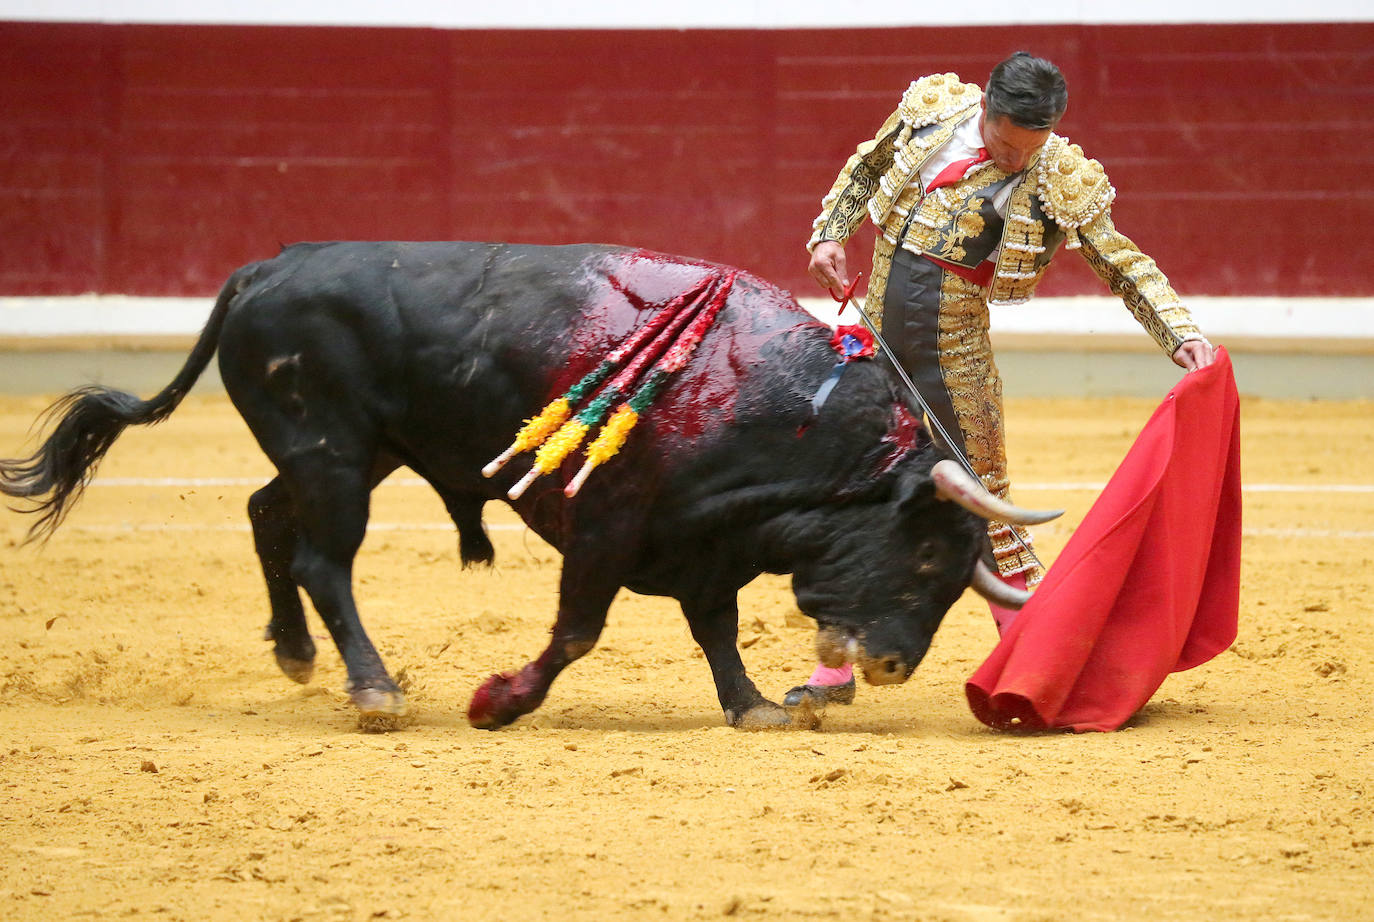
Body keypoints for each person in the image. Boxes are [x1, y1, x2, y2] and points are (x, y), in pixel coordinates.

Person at [784, 51, 1217, 709]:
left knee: (988, 508)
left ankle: (1035, 667)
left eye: (1029, 149)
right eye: (1005, 144)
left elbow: (1123, 263)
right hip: (874, 350)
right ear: (984, 110)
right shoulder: (931, 112)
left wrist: (1179, 331)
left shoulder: (1056, 175)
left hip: (955, 363)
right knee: (853, 497)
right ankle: (835, 669)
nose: (1015, 160)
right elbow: (866, 167)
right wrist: (829, 234)